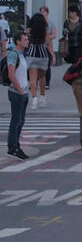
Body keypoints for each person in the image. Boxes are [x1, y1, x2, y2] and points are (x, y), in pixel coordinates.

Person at [6, 31, 30, 160]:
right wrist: (20, 90)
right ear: (18, 41)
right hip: (16, 93)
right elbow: (11, 74)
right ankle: (12, 148)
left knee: (20, 121)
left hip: (23, 92)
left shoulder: (21, 55)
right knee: (16, 121)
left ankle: (16, 145)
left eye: (27, 39)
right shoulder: (13, 55)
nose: (27, 41)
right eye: (25, 39)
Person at [25, 13, 49, 109]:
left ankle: (34, 98)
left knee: (32, 78)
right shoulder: (44, 31)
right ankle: (42, 97)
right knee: (42, 77)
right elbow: (48, 43)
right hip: (43, 54)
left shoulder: (28, 31)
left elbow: (26, 43)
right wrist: (53, 55)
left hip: (32, 54)